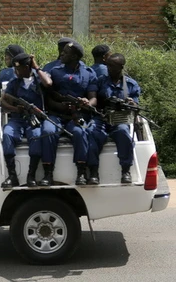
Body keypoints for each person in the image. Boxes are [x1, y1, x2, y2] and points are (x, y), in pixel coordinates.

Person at [39, 41, 99, 186]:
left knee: (80, 132)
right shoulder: (55, 71)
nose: (62, 54)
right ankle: (48, 173)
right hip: (56, 114)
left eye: (65, 53)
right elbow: (47, 96)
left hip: (76, 115)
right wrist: (58, 106)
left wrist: (86, 103)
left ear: (74, 57)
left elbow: (94, 98)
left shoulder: (88, 73)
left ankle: (81, 173)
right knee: (47, 130)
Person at [0, 53, 52, 188]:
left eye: (20, 68)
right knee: (7, 134)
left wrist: (36, 67)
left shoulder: (39, 80)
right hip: (18, 119)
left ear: (28, 67)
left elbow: (48, 83)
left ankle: (31, 175)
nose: (16, 72)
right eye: (15, 69)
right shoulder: (14, 83)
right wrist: (16, 109)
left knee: (36, 137)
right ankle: (12, 175)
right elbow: (4, 102)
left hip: (34, 119)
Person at [88, 53, 141, 184]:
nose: (109, 68)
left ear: (121, 67)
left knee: (123, 132)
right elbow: (93, 96)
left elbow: (136, 105)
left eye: (112, 66)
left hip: (120, 117)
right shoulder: (100, 80)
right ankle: (94, 172)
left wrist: (131, 103)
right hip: (102, 116)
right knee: (92, 133)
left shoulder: (130, 84)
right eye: (108, 65)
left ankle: (125, 170)